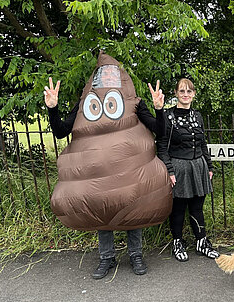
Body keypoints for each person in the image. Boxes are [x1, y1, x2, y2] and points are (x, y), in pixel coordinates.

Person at [44, 68, 166, 280]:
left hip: (129, 170)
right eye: (103, 80)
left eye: (112, 78)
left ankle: (135, 254)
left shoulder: (134, 104)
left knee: (134, 208)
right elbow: (61, 131)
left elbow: (159, 129)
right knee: (101, 206)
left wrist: (159, 110)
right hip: (99, 174)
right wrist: (53, 109)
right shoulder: (84, 106)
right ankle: (107, 257)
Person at [155, 78, 219, 262]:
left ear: (194, 94)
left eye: (189, 91)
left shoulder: (197, 116)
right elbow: (162, 146)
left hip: (198, 166)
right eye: (182, 91)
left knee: (197, 208)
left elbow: (203, 143)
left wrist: (209, 165)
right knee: (178, 209)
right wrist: (169, 170)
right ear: (175, 94)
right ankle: (177, 242)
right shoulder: (167, 116)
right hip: (178, 167)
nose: (185, 95)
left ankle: (202, 242)